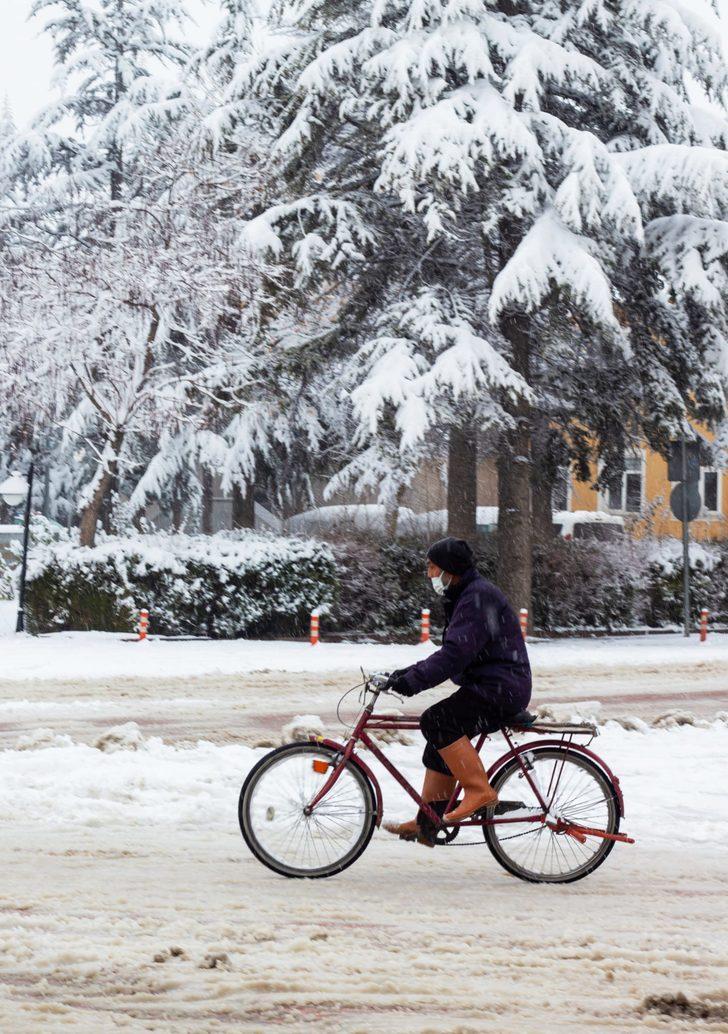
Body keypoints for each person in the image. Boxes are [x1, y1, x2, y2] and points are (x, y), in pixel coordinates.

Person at [384, 536, 532, 844]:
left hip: (501, 689)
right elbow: (450, 652)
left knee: (438, 721)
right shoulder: (467, 594)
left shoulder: (478, 597)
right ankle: (428, 821)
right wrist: (403, 674)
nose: (429, 574)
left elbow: (455, 655)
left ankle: (479, 790)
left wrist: (411, 683)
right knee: (440, 740)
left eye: (432, 567)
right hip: (491, 685)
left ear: (449, 569)